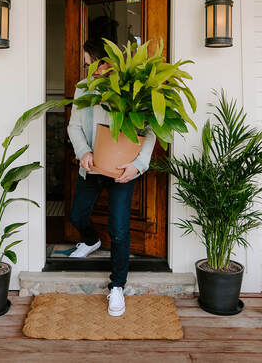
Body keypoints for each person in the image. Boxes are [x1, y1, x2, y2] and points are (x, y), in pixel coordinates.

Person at [66, 26, 156, 317]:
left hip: (121, 171)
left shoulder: (132, 88)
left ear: (105, 62)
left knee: (119, 230)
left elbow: (150, 131)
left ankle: (117, 286)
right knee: (77, 215)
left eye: (90, 62)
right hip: (92, 168)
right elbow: (74, 126)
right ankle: (91, 240)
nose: (88, 68)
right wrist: (83, 152)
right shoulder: (83, 87)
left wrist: (138, 166)